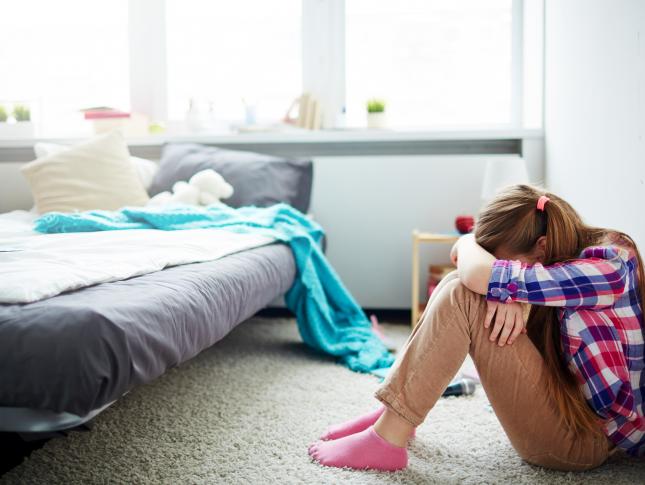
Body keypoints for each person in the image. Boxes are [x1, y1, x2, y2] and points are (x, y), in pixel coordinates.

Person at [308, 184, 645, 472]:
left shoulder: (608, 268)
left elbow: (477, 274)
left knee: (463, 293)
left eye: (506, 263)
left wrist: (493, 275)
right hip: (572, 412)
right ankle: (391, 414)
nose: (499, 272)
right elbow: (472, 270)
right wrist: (501, 285)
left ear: (541, 247)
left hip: (585, 441)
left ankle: (387, 439)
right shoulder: (562, 252)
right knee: (459, 284)